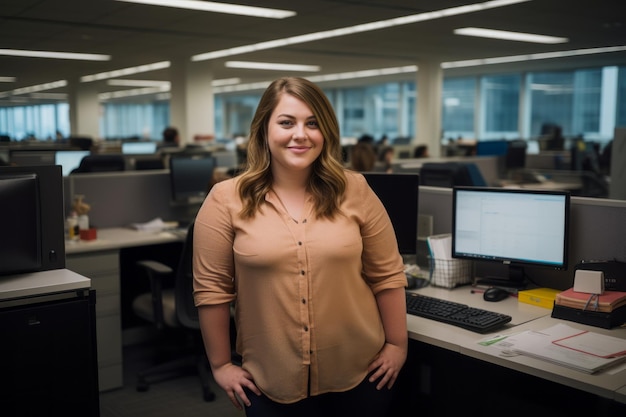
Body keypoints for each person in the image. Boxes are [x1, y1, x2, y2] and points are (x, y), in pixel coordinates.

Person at [193, 76, 408, 417]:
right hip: (269, 384)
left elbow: (388, 274)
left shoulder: (356, 190)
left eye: (312, 123)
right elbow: (212, 291)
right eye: (286, 122)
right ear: (264, 129)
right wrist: (220, 365)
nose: (300, 134)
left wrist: (397, 344)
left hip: (362, 375)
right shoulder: (225, 199)